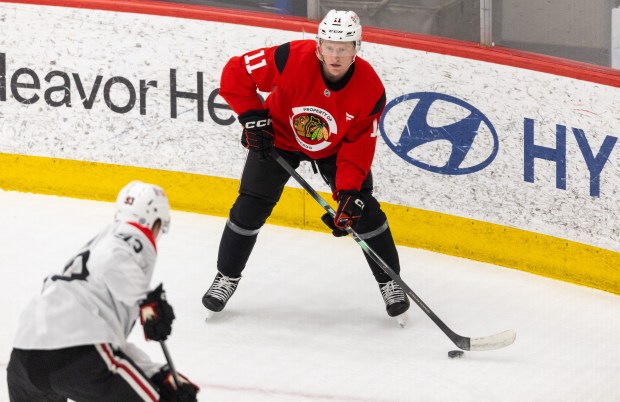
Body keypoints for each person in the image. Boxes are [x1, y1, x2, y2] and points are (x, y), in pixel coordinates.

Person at [202, 10, 410, 322]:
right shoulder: (289, 58)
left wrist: (349, 191)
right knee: (250, 207)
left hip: (336, 150)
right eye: (329, 46)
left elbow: (358, 147)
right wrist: (251, 115)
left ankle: (390, 281)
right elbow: (236, 72)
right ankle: (227, 276)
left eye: (343, 48)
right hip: (280, 138)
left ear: (357, 49)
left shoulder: (370, 90)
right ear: (317, 46)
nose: (335, 56)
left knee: (362, 209)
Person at [7, 181, 199, 402]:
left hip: (24, 360)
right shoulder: (132, 236)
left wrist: (156, 373)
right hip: (76, 356)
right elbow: (110, 258)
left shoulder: (91, 258)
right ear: (155, 219)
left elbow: (110, 344)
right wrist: (146, 300)